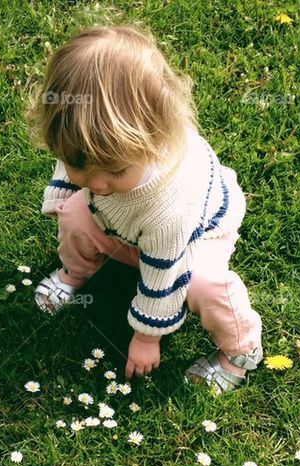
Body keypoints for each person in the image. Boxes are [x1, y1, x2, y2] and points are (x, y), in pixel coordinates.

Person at [24, 24, 264, 393]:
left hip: (194, 237)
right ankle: (76, 275)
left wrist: (147, 336)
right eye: (79, 165)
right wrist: (65, 194)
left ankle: (239, 352)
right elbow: (77, 159)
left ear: (155, 138)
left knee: (204, 284)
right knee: (75, 211)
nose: (98, 183)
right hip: (128, 224)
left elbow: (164, 270)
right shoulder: (86, 140)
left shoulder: (170, 206)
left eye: (115, 170)